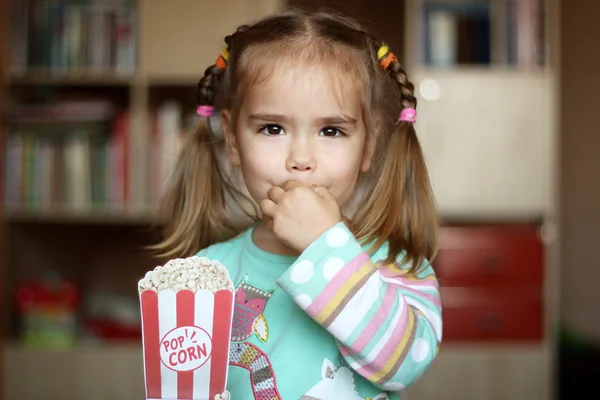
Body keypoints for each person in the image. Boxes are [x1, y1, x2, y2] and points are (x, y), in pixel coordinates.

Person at [154, 8, 442, 400]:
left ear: (369, 144)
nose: (301, 158)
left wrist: (325, 245)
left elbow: (405, 365)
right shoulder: (207, 276)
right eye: (272, 128)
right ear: (234, 141)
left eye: (331, 130)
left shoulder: (395, 265)